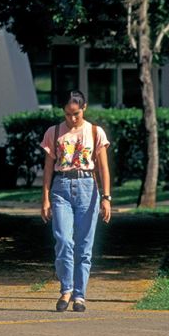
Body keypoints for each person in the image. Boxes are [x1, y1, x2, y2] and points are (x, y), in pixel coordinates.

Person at [40, 90, 112, 313]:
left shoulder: (94, 132)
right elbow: (48, 168)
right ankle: (66, 289)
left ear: (85, 108)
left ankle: (80, 296)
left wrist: (106, 198)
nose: (72, 119)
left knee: (84, 245)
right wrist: (45, 198)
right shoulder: (54, 132)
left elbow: (103, 168)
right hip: (61, 188)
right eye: (68, 114)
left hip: (87, 188)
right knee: (63, 239)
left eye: (77, 113)